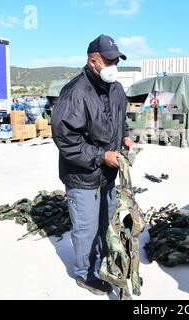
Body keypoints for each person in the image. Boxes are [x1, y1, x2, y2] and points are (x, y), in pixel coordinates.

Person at [51, 34, 135, 295]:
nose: (113, 66)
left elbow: (121, 120)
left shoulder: (116, 89)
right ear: (92, 61)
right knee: (86, 228)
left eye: (116, 60)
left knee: (105, 224)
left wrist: (126, 136)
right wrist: (101, 156)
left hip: (107, 175)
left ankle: (101, 262)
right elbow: (66, 139)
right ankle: (84, 274)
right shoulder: (75, 92)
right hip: (82, 176)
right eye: (108, 61)